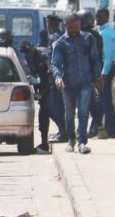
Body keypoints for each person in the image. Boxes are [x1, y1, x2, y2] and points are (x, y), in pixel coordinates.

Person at [51, 13, 102, 154]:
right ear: (66, 26)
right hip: (68, 85)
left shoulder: (88, 38)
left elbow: (95, 58)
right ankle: (71, 140)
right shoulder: (60, 43)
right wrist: (57, 78)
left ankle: (82, 142)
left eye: (77, 27)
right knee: (69, 115)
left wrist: (97, 76)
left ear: (80, 25)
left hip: (85, 82)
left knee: (83, 113)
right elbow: (55, 63)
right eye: (72, 27)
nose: (74, 30)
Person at [20, 41, 51, 154]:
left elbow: (45, 78)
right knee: (43, 118)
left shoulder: (39, 59)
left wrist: (41, 91)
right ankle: (44, 143)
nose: (26, 54)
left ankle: (46, 143)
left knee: (48, 116)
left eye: (27, 51)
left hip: (49, 92)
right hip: (43, 93)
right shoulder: (31, 58)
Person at [79, 10, 105, 138]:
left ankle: (95, 128)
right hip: (90, 74)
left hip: (84, 75)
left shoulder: (81, 36)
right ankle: (96, 128)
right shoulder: (95, 35)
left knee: (88, 103)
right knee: (91, 102)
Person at [46, 14, 67, 142]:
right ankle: (62, 131)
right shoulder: (59, 35)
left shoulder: (55, 37)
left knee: (58, 105)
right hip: (57, 74)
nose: (48, 26)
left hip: (57, 75)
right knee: (58, 105)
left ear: (52, 24)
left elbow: (56, 57)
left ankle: (63, 132)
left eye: (49, 23)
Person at [96, 8, 115, 137]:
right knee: (103, 98)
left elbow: (108, 55)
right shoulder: (100, 31)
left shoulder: (107, 33)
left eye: (100, 17)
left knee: (106, 99)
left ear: (107, 17)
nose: (97, 19)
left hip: (107, 67)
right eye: (97, 17)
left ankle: (110, 129)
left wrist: (104, 73)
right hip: (104, 67)